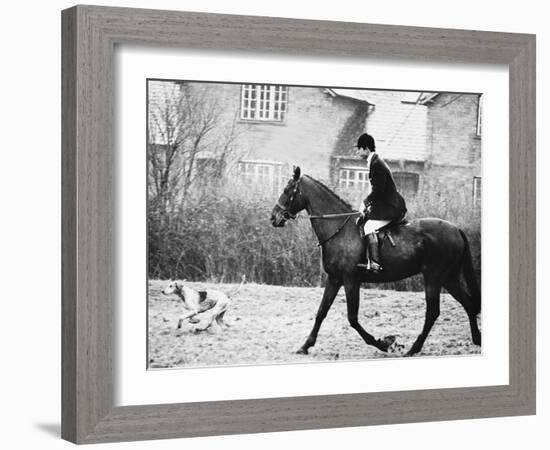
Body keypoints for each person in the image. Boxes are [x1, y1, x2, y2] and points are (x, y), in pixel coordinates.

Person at [355, 133, 407, 272]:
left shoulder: (377, 164)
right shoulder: (375, 162)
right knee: (364, 221)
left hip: (391, 207)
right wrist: (369, 207)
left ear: (366, 149)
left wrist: (365, 203)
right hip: (385, 205)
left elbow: (378, 191)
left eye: (359, 148)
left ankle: (375, 263)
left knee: (368, 227)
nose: (357, 151)